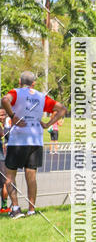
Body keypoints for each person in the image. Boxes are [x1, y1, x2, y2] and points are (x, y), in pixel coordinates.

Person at [1, 71, 67, 217]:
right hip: (36, 140)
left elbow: (5, 100)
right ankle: (31, 209)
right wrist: (48, 123)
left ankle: (16, 208)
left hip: (18, 139)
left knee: (10, 176)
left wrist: (13, 116)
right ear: (34, 83)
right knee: (31, 176)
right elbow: (62, 109)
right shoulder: (41, 96)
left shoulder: (16, 92)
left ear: (19, 81)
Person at [0, 107, 9, 214]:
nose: (3, 117)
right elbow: (2, 135)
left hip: (2, 157)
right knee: (5, 183)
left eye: (4, 115)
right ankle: (4, 206)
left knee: (4, 183)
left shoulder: (3, 125)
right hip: (0, 159)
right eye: (1, 115)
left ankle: (4, 206)